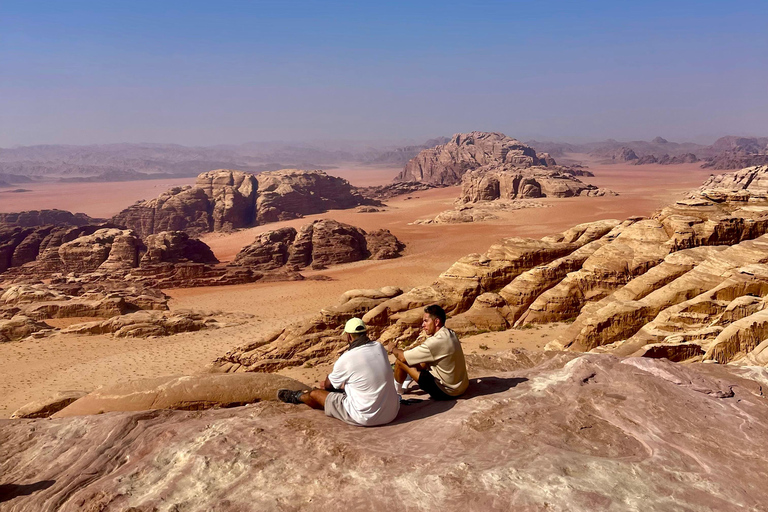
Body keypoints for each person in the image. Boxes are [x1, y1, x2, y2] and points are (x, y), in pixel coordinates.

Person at [277, 317, 400, 427]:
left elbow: (328, 386)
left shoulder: (347, 358)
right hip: (391, 412)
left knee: (316, 394)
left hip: (366, 417)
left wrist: (328, 386)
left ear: (349, 336)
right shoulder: (379, 347)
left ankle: (297, 396)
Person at [390, 304, 469, 400]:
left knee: (400, 362)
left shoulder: (434, 342)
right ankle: (407, 379)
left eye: (426, 321)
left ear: (436, 322)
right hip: (461, 387)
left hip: (447, 392)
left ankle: (397, 391)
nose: (423, 325)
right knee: (422, 360)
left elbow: (402, 357)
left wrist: (392, 348)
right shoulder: (450, 333)